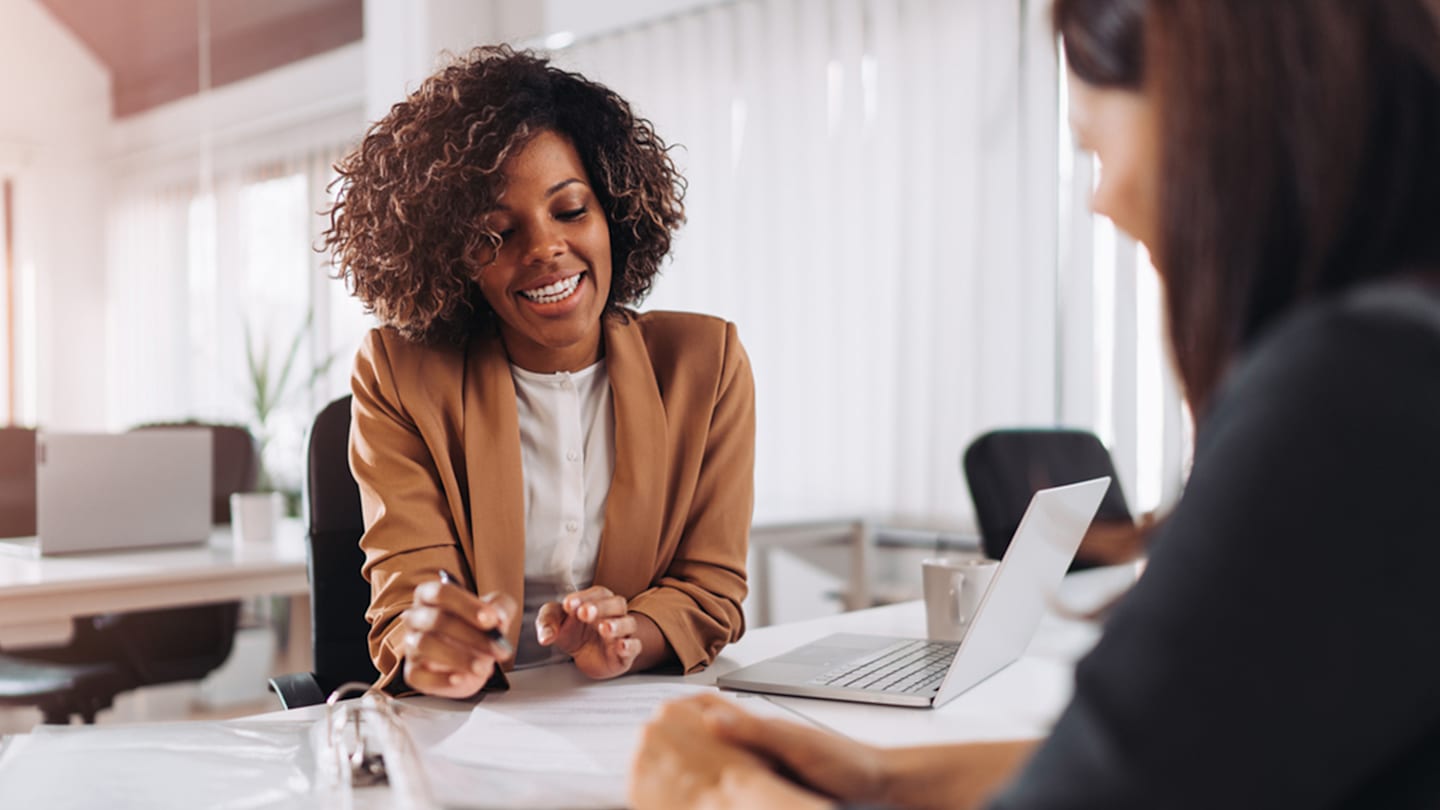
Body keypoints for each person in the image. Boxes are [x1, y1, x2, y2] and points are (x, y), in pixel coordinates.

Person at [630, 0, 1440, 806]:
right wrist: (881, 775)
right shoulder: (1399, 356)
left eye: (1094, 146)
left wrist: (713, 793)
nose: (1103, 199)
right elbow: (1165, 765)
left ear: (1219, 117)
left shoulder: (1349, 391)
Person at [323, 46, 754, 698]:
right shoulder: (399, 373)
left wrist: (631, 638)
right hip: (466, 734)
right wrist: (434, 642)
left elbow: (710, 588)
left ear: (613, 211)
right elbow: (408, 595)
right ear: (454, 259)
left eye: (571, 210)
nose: (545, 249)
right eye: (496, 234)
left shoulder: (705, 363)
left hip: (630, 719)